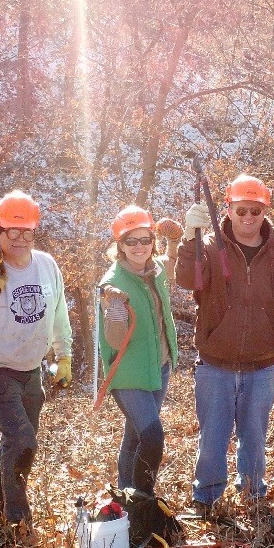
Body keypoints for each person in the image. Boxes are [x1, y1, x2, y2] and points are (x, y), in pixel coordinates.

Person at [174, 175, 274, 516]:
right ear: (229, 210)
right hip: (215, 366)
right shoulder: (207, 247)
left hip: (263, 366)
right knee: (213, 439)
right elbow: (185, 279)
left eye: (255, 210)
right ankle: (206, 498)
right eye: (241, 210)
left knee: (254, 438)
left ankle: (252, 493)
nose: (248, 217)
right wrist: (188, 237)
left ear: (265, 210)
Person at [0, 191, 74, 540]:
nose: (20, 239)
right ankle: (18, 519)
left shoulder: (46, 264)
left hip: (31, 369)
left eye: (26, 231)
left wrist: (64, 354)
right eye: (12, 231)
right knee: (21, 437)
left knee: (15, 441)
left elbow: (58, 311)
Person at [98, 206, 180, 503]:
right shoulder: (112, 284)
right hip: (129, 374)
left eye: (145, 240)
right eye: (130, 241)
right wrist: (116, 310)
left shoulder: (153, 269)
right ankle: (143, 500)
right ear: (119, 245)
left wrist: (174, 242)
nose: (139, 247)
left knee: (134, 434)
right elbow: (115, 341)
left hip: (158, 367)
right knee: (152, 435)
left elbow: (168, 267)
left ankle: (125, 498)